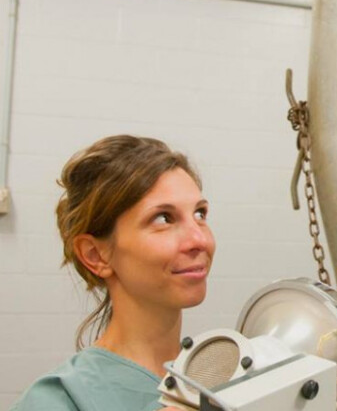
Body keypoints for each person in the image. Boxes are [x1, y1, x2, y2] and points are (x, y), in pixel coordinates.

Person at [11, 135, 216, 411]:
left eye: (200, 214)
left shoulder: (220, 378)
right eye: (164, 218)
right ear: (96, 255)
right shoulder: (59, 400)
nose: (199, 240)